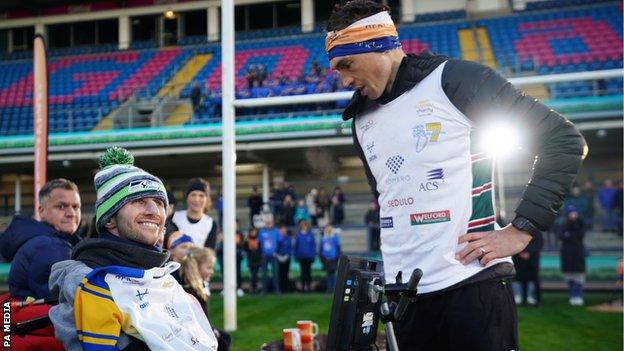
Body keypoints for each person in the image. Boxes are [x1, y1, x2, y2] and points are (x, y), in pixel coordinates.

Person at [325, 1, 585, 349]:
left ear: (378, 45)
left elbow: (563, 139)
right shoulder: (361, 120)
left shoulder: (453, 79)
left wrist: (523, 229)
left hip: (471, 286)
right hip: (404, 301)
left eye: (347, 64)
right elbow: (387, 201)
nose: (343, 79)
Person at [49, 147, 218, 350]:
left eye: (158, 202)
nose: (154, 211)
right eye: (139, 201)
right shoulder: (94, 282)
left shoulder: (161, 275)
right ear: (110, 219)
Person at [0, 178, 81, 299]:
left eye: (75, 206)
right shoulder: (48, 246)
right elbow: (66, 299)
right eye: (61, 206)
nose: (71, 213)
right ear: (41, 211)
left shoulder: (54, 240)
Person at [172, 247, 231, 351]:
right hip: (192, 335)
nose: (212, 272)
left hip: (198, 332)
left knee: (225, 337)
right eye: (209, 267)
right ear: (196, 267)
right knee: (223, 342)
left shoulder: (195, 288)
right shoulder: (190, 291)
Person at [171, 178, 218, 249]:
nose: (197, 199)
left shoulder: (210, 223)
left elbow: (209, 252)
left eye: (201, 195)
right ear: (187, 197)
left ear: (207, 199)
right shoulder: (174, 217)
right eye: (193, 195)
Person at [558, 205, 586, 306]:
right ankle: (572, 296)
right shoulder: (563, 224)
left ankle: (578, 296)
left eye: (574, 212)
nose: (573, 215)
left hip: (578, 253)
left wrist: (569, 235)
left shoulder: (580, 223)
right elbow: (561, 235)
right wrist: (570, 235)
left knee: (578, 276)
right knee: (569, 276)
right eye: (571, 213)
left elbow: (580, 235)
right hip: (567, 253)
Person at [259, 215, 280, 293]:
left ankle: (276, 289)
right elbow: (259, 243)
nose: (268, 223)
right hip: (264, 255)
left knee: (275, 273)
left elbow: (279, 242)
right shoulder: (262, 231)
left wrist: (276, 252)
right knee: (264, 273)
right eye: (267, 222)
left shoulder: (276, 231)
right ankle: (264, 289)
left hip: (274, 255)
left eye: (270, 222)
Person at [294, 220, 316, 292]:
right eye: (302, 225)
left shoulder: (310, 235)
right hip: (301, 257)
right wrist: (296, 255)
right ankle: (303, 288)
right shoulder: (298, 235)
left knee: (308, 272)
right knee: (302, 272)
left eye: (305, 225)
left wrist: (313, 255)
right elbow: (296, 246)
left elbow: (313, 246)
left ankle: (309, 287)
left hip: (309, 257)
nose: (304, 226)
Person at [244, 227, 262, 293]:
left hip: (257, 259)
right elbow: (245, 249)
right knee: (253, 274)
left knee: (255, 274)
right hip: (251, 259)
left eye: (254, 231)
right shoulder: (248, 240)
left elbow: (260, 249)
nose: (253, 233)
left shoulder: (258, 240)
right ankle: (253, 287)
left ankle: (254, 286)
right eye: (252, 231)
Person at [276, 225, 293, 292]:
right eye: (281, 230)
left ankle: (286, 289)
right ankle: (280, 288)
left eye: (284, 230)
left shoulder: (288, 238)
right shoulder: (277, 238)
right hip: (278, 258)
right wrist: (278, 255)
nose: (283, 231)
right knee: (279, 274)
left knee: (286, 273)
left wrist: (287, 255)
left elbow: (290, 248)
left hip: (286, 258)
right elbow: (276, 247)